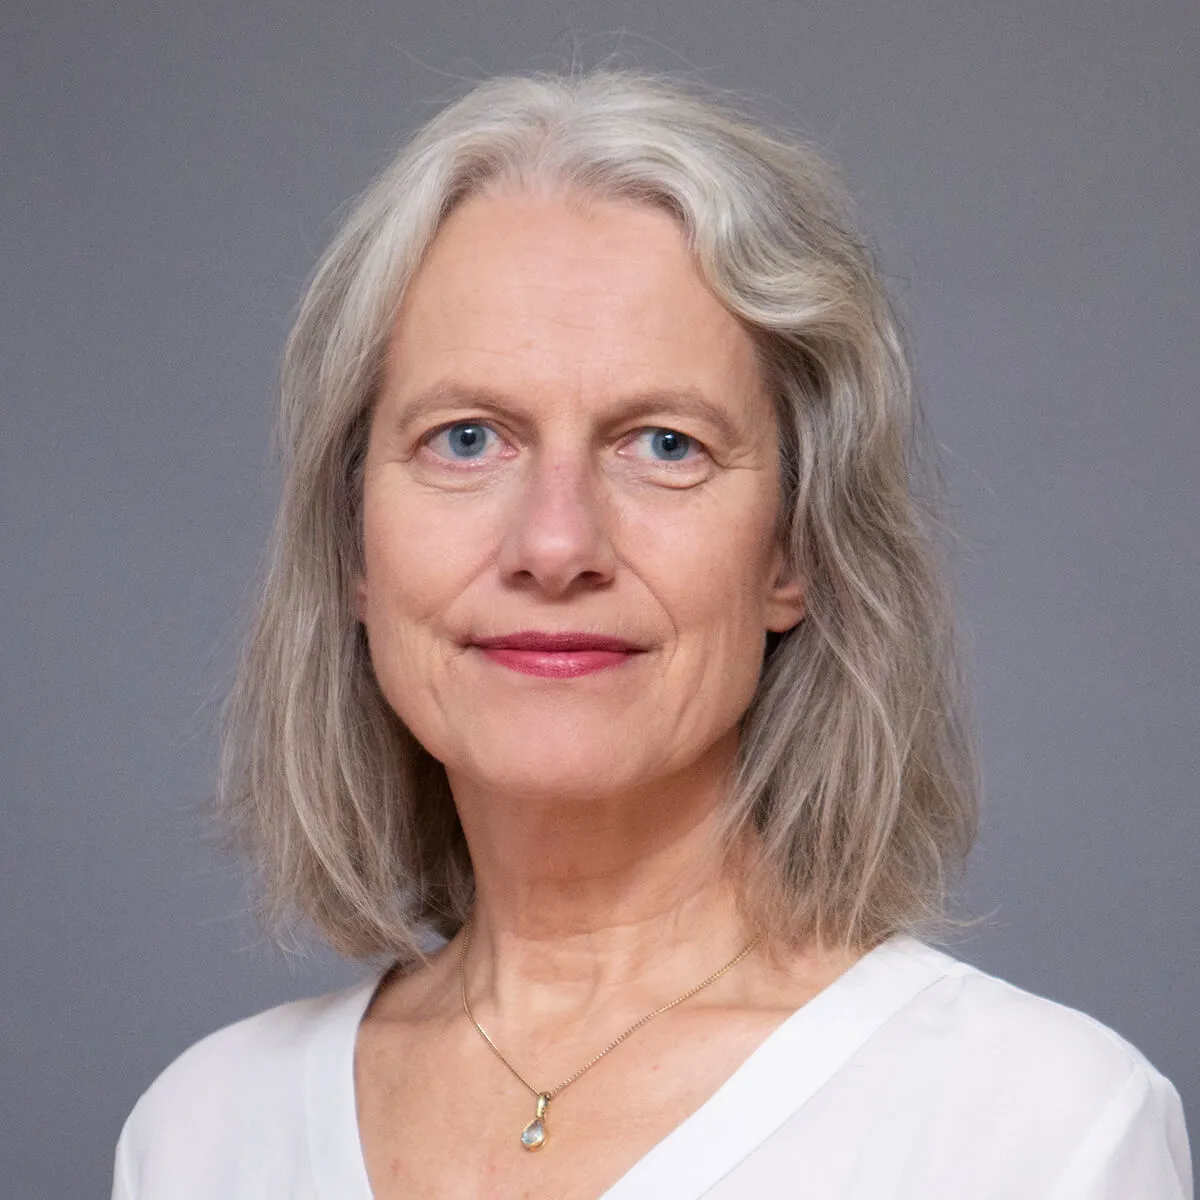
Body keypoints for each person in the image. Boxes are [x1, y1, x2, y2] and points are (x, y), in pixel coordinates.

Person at [110, 70, 1191, 1198]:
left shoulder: (1044, 1135)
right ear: (355, 545)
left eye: (665, 444)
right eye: (467, 438)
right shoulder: (201, 1135)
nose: (556, 543)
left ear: (793, 551)